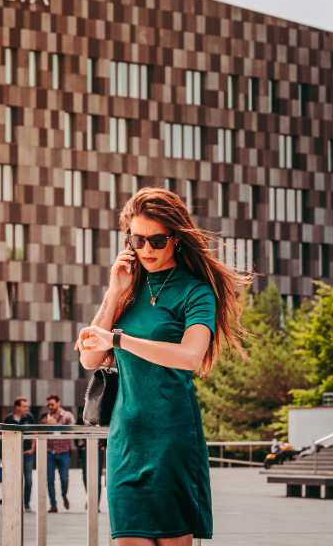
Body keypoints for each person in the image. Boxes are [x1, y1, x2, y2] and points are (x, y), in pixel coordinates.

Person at [76, 187, 250, 546]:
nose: (147, 250)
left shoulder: (196, 292)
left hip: (172, 440)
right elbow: (90, 358)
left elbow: (189, 356)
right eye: (138, 240)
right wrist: (113, 292)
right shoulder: (126, 290)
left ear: (176, 239)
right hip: (125, 442)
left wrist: (119, 340)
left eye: (157, 241)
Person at [41, 395, 76, 512]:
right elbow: (40, 434)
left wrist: (55, 424)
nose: (50, 407)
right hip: (50, 451)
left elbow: (72, 433)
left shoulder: (68, 415)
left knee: (64, 478)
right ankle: (53, 504)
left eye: (52, 404)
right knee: (50, 479)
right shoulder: (46, 418)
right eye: (48, 405)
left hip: (64, 451)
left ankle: (64, 495)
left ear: (58, 403)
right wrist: (46, 426)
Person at [3, 397, 37, 511]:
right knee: (13, 479)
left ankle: (26, 503)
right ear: (17, 407)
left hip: (27, 454)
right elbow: (3, 436)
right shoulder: (8, 418)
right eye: (24, 406)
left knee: (28, 479)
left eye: (27, 406)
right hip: (13, 454)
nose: (26, 408)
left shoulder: (30, 417)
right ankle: (13, 503)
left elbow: (35, 432)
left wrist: (32, 449)